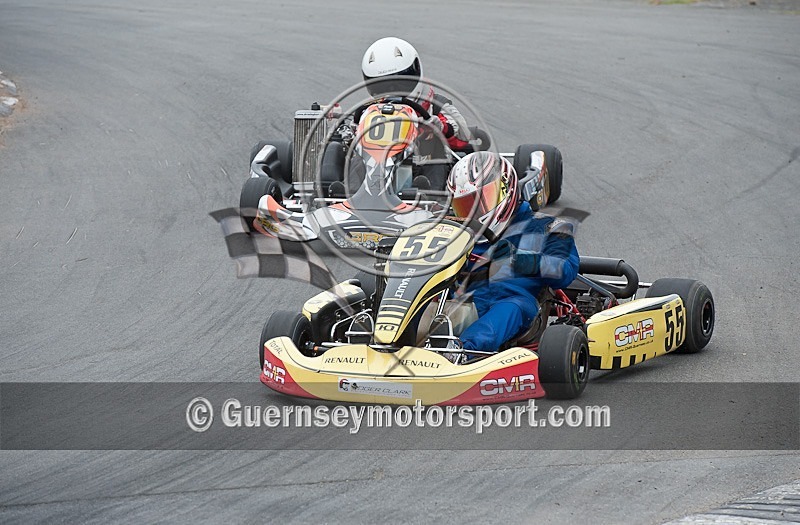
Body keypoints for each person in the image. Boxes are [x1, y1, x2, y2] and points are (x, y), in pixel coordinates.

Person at [436, 151, 580, 357]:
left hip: (516, 304)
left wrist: (521, 259)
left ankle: (461, 351)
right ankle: (391, 342)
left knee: (509, 309)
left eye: (481, 201)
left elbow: (565, 269)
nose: (473, 212)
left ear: (505, 191)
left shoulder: (547, 227)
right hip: (461, 302)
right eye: (465, 206)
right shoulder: (453, 231)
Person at [360, 37, 472, 189]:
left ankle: (435, 201)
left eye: (399, 83)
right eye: (383, 86)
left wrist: (441, 127)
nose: (393, 91)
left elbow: (464, 136)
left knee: (436, 149)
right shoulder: (369, 110)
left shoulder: (436, 104)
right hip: (379, 165)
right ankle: (345, 198)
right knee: (351, 154)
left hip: (422, 167)